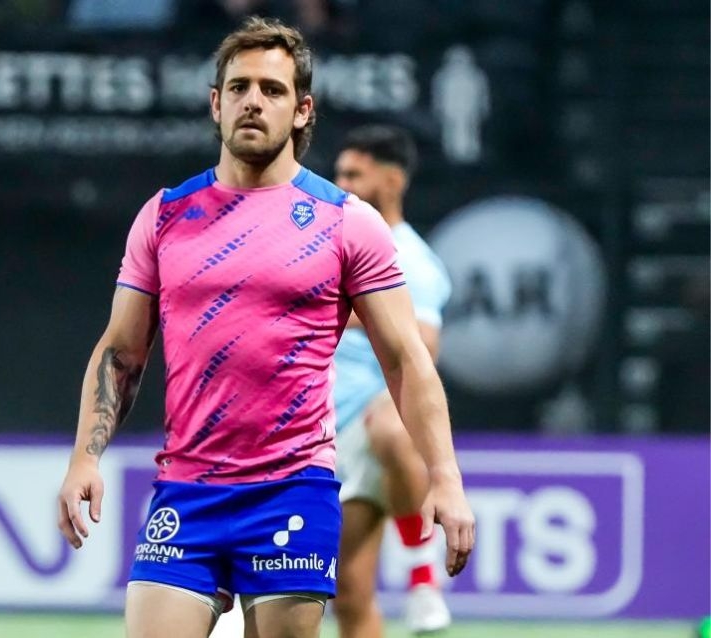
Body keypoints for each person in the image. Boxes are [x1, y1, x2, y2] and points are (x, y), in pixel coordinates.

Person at [57, 16, 474, 638]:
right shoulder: (166, 215)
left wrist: (444, 476)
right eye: (240, 87)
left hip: (293, 489)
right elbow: (122, 351)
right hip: (188, 488)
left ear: (303, 111)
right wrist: (84, 458)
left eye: (272, 89)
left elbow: (407, 360)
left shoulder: (347, 222)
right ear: (216, 103)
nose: (253, 100)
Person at [331, 126, 454, 636]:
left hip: (373, 421)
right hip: (325, 429)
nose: (342, 184)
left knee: (392, 424)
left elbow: (423, 348)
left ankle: (423, 576)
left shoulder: (412, 259)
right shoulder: (329, 242)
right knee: (349, 595)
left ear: (392, 181)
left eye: (354, 175)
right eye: (339, 174)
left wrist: (353, 312)